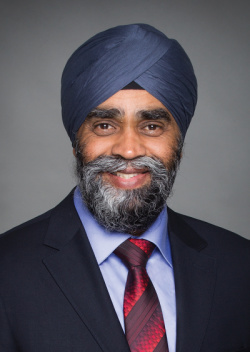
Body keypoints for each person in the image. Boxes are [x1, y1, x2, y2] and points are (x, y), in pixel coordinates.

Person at [0, 24, 249, 352]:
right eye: (105, 125)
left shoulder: (240, 266)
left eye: (151, 125)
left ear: (180, 143)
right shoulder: (7, 270)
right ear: (76, 142)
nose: (129, 150)